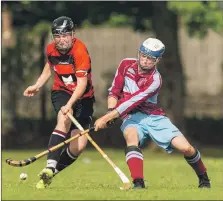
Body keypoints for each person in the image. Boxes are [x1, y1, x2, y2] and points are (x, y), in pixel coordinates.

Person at [94, 38, 211, 189]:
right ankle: (138, 183)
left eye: (151, 58)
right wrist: (110, 111)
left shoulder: (155, 80)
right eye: (143, 55)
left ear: (158, 60)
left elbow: (133, 102)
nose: (146, 61)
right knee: (131, 137)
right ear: (139, 53)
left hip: (153, 117)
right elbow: (114, 91)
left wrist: (107, 117)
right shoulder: (125, 64)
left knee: (186, 148)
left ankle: (204, 179)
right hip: (130, 116)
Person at [24, 16, 95, 189]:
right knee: (64, 118)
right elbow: (50, 66)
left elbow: (82, 84)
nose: (61, 39)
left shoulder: (80, 51)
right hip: (61, 92)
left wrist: (71, 103)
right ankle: (49, 166)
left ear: (73, 34)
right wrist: (38, 84)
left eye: (65, 35)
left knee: (79, 145)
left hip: (83, 97)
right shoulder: (51, 49)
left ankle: (51, 174)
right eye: (58, 36)